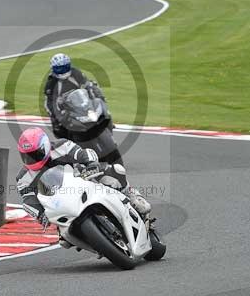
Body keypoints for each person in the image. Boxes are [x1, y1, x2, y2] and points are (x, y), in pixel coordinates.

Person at [15, 127, 151, 232]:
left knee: (114, 172)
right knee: (64, 238)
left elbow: (81, 153)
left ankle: (131, 195)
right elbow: (28, 200)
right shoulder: (23, 178)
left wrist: (91, 164)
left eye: (35, 154)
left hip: (84, 181)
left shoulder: (61, 146)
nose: (32, 159)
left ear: (45, 145)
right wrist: (40, 214)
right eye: (27, 156)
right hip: (59, 203)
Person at [43, 53, 106, 138]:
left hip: (81, 105)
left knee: (100, 104)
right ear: (54, 69)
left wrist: (96, 93)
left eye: (65, 67)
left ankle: (108, 126)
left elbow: (87, 84)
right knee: (59, 128)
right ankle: (68, 145)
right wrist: (57, 115)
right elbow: (49, 103)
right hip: (66, 110)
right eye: (59, 69)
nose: (63, 71)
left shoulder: (76, 73)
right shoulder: (51, 83)